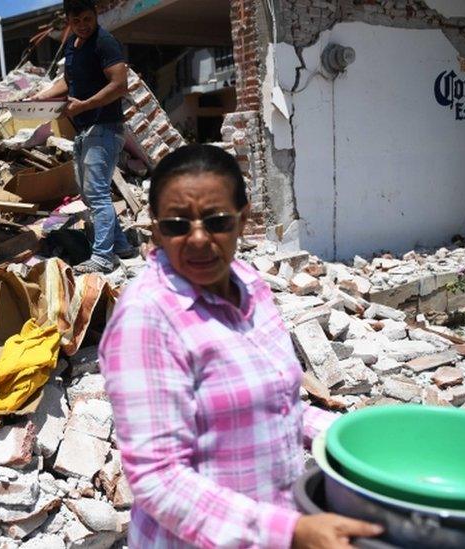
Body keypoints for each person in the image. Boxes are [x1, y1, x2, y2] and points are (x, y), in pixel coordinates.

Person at [99, 144, 384, 548]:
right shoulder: (148, 317)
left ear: (242, 220)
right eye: (178, 225)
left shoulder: (249, 285)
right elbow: (157, 478)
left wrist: (352, 439)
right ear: (157, 230)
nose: (198, 239)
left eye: (216, 221)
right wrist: (291, 533)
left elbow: (277, 402)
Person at [31, 0, 136, 274]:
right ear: (69, 20)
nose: (83, 25)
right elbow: (67, 80)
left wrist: (85, 105)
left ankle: (103, 257)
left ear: (95, 14)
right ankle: (121, 244)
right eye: (76, 21)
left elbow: (119, 84)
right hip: (84, 129)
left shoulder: (105, 42)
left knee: (98, 194)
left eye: (87, 19)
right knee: (89, 195)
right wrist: (40, 98)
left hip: (104, 126)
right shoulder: (73, 44)